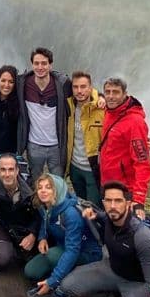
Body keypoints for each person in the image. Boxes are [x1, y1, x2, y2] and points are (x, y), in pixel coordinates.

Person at [55, 181, 150, 297]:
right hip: (112, 270)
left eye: (118, 201)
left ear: (128, 204)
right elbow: (104, 216)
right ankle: (115, 292)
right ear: (104, 202)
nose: (113, 205)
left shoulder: (143, 237)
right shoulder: (109, 218)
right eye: (108, 201)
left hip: (137, 283)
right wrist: (94, 214)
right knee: (67, 286)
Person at [23, 174, 102, 293]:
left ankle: (69, 277)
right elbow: (45, 220)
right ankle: (63, 270)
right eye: (40, 187)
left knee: (51, 257)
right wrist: (42, 238)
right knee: (31, 272)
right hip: (63, 246)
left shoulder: (71, 214)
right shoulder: (46, 205)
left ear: (58, 189)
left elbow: (72, 251)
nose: (43, 191)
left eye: (48, 187)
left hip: (86, 252)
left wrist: (52, 281)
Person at [0, 153, 38, 280]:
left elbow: (40, 215)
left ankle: (18, 249)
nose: (7, 174)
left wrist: (33, 234)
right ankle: (3, 247)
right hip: (1, 226)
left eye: (11, 169)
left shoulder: (31, 185)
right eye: (3, 170)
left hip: (24, 226)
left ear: (17, 171)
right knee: (2, 259)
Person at [99, 77, 150, 212]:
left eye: (116, 92)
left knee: (124, 230)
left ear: (125, 94)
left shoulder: (135, 122)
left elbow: (142, 162)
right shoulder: (108, 112)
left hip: (124, 190)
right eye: (107, 92)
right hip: (107, 185)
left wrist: (138, 200)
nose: (111, 96)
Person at [16, 47, 68, 182]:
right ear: (32, 64)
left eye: (44, 63)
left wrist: (100, 97)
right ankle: (36, 204)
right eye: (36, 63)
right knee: (35, 182)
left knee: (57, 183)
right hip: (34, 144)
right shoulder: (22, 83)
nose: (40, 67)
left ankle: (57, 204)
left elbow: (83, 90)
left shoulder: (62, 84)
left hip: (56, 145)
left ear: (50, 65)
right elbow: (3, 85)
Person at [65, 70, 104, 206]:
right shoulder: (69, 106)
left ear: (90, 88)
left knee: (94, 208)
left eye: (83, 87)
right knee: (81, 205)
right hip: (75, 167)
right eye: (75, 87)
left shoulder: (101, 110)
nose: (79, 91)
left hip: (92, 169)